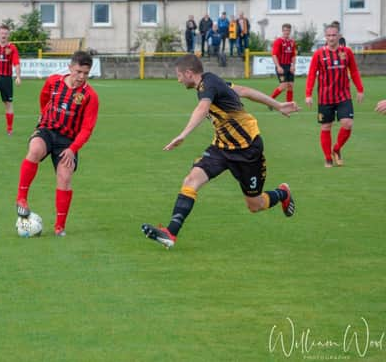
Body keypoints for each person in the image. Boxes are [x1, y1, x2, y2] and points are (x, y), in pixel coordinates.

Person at [141, 54, 298, 249]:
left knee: (255, 205)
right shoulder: (212, 83)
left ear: (189, 73)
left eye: (179, 75)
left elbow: (202, 108)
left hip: (248, 149)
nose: (178, 80)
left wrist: (183, 135)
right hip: (221, 148)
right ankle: (170, 233)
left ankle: (282, 193)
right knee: (191, 180)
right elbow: (245, 91)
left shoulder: (208, 85)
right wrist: (278, 105)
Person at [15, 50, 99, 237]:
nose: (81, 77)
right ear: (70, 68)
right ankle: (21, 199)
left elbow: (87, 129)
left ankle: (59, 227)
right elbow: (44, 97)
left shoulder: (90, 96)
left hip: (68, 141)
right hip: (47, 129)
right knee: (35, 149)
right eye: (78, 72)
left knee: (65, 176)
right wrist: (43, 113)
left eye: (86, 73)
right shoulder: (53, 81)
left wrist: (72, 149)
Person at [306, 24, 364, 167]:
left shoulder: (347, 52)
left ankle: (336, 149)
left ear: (339, 36)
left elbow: (354, 71)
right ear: (325, 37)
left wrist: (360, 89)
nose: (331, 38)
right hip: (325, 97)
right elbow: (312, 74)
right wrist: (308, 94)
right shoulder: (319, 54)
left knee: (348, 123)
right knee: (326, 126)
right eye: (329, 35)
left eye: (334, 35)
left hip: (343, 95)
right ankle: (328, 158)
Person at [270, 23, 297, 102]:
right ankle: (269, 100)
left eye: (288, 30)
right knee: (283, 86)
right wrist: (278, 66)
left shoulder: (292, 42)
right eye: (285, 30)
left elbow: (293, 55)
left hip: (289, 66)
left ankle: (289, 105)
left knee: (291, 86)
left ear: (290, 31)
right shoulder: (278, 41)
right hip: (281, 66)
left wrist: (293, 65)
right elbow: (274, 55)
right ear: (282, 31)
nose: (287, 32)